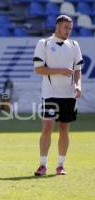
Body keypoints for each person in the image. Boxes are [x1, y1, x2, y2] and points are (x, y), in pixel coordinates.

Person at [33, 15, 83, 176]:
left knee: (64, 129)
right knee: (47, 128)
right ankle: (42, 165)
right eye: (66, 28)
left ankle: (60, 165)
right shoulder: (44, 43)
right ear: (57, 27)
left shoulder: (74, 45)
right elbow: (38, 69)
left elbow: (77, 70)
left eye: (70, 28)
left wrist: (78, 85)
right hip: (50, 94)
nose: (68, 31)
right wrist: (61, 70)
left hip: (69, 96)